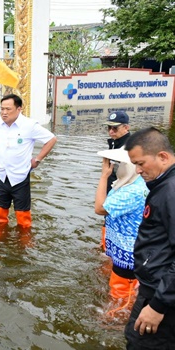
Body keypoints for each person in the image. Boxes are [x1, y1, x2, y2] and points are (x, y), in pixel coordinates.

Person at [123, 127, 175, 347]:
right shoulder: (164, 185)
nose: (137, 170)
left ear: (162, 156)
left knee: (140, 342)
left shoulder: (170, 192)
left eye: (141, 163)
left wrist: (157, 305)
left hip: (162, 296)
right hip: (158, 286)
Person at [0, 94, 57, 228]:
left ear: (19, 109)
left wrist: (37, 159)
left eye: (8, 109)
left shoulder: (29, 125)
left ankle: (24, 243)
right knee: (0, 214)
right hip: (1, 174)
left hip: (20, 177)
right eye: (2, 109)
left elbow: (51, 139)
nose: (4, 113)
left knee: (23, 219)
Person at [94, 148, 147, 319]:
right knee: (118, 291)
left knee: (123, 300)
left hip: (129, 256)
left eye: (119, 165)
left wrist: (103, 176)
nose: (115, 168)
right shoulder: (127, 183)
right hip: (122, 252)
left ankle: (118, 323)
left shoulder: (132, 191)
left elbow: (100, 208)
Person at [99, 111, 131, 251]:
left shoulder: (129, 148)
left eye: (115, 128)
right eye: (109, 128)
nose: (111, 132)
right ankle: (105, 248)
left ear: (126, 128)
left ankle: (109, 253)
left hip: (121, 195)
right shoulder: (114, 143)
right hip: (112, 192)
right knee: (108, 222)